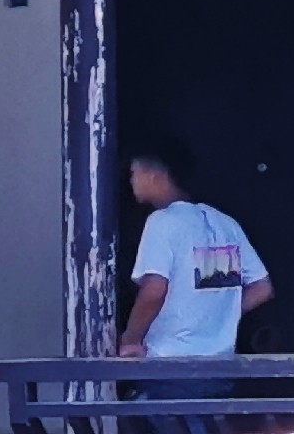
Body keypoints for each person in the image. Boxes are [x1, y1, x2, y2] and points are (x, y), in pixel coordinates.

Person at [115, 141, 270, 360]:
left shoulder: (163, 222)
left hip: (169, 362)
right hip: (221, 362)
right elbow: (261, 288)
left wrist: (131, 339)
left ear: (153, 175)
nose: (131, 181)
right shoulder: (225, 224)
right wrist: (220, 317)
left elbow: (155, 289)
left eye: (134, 173)